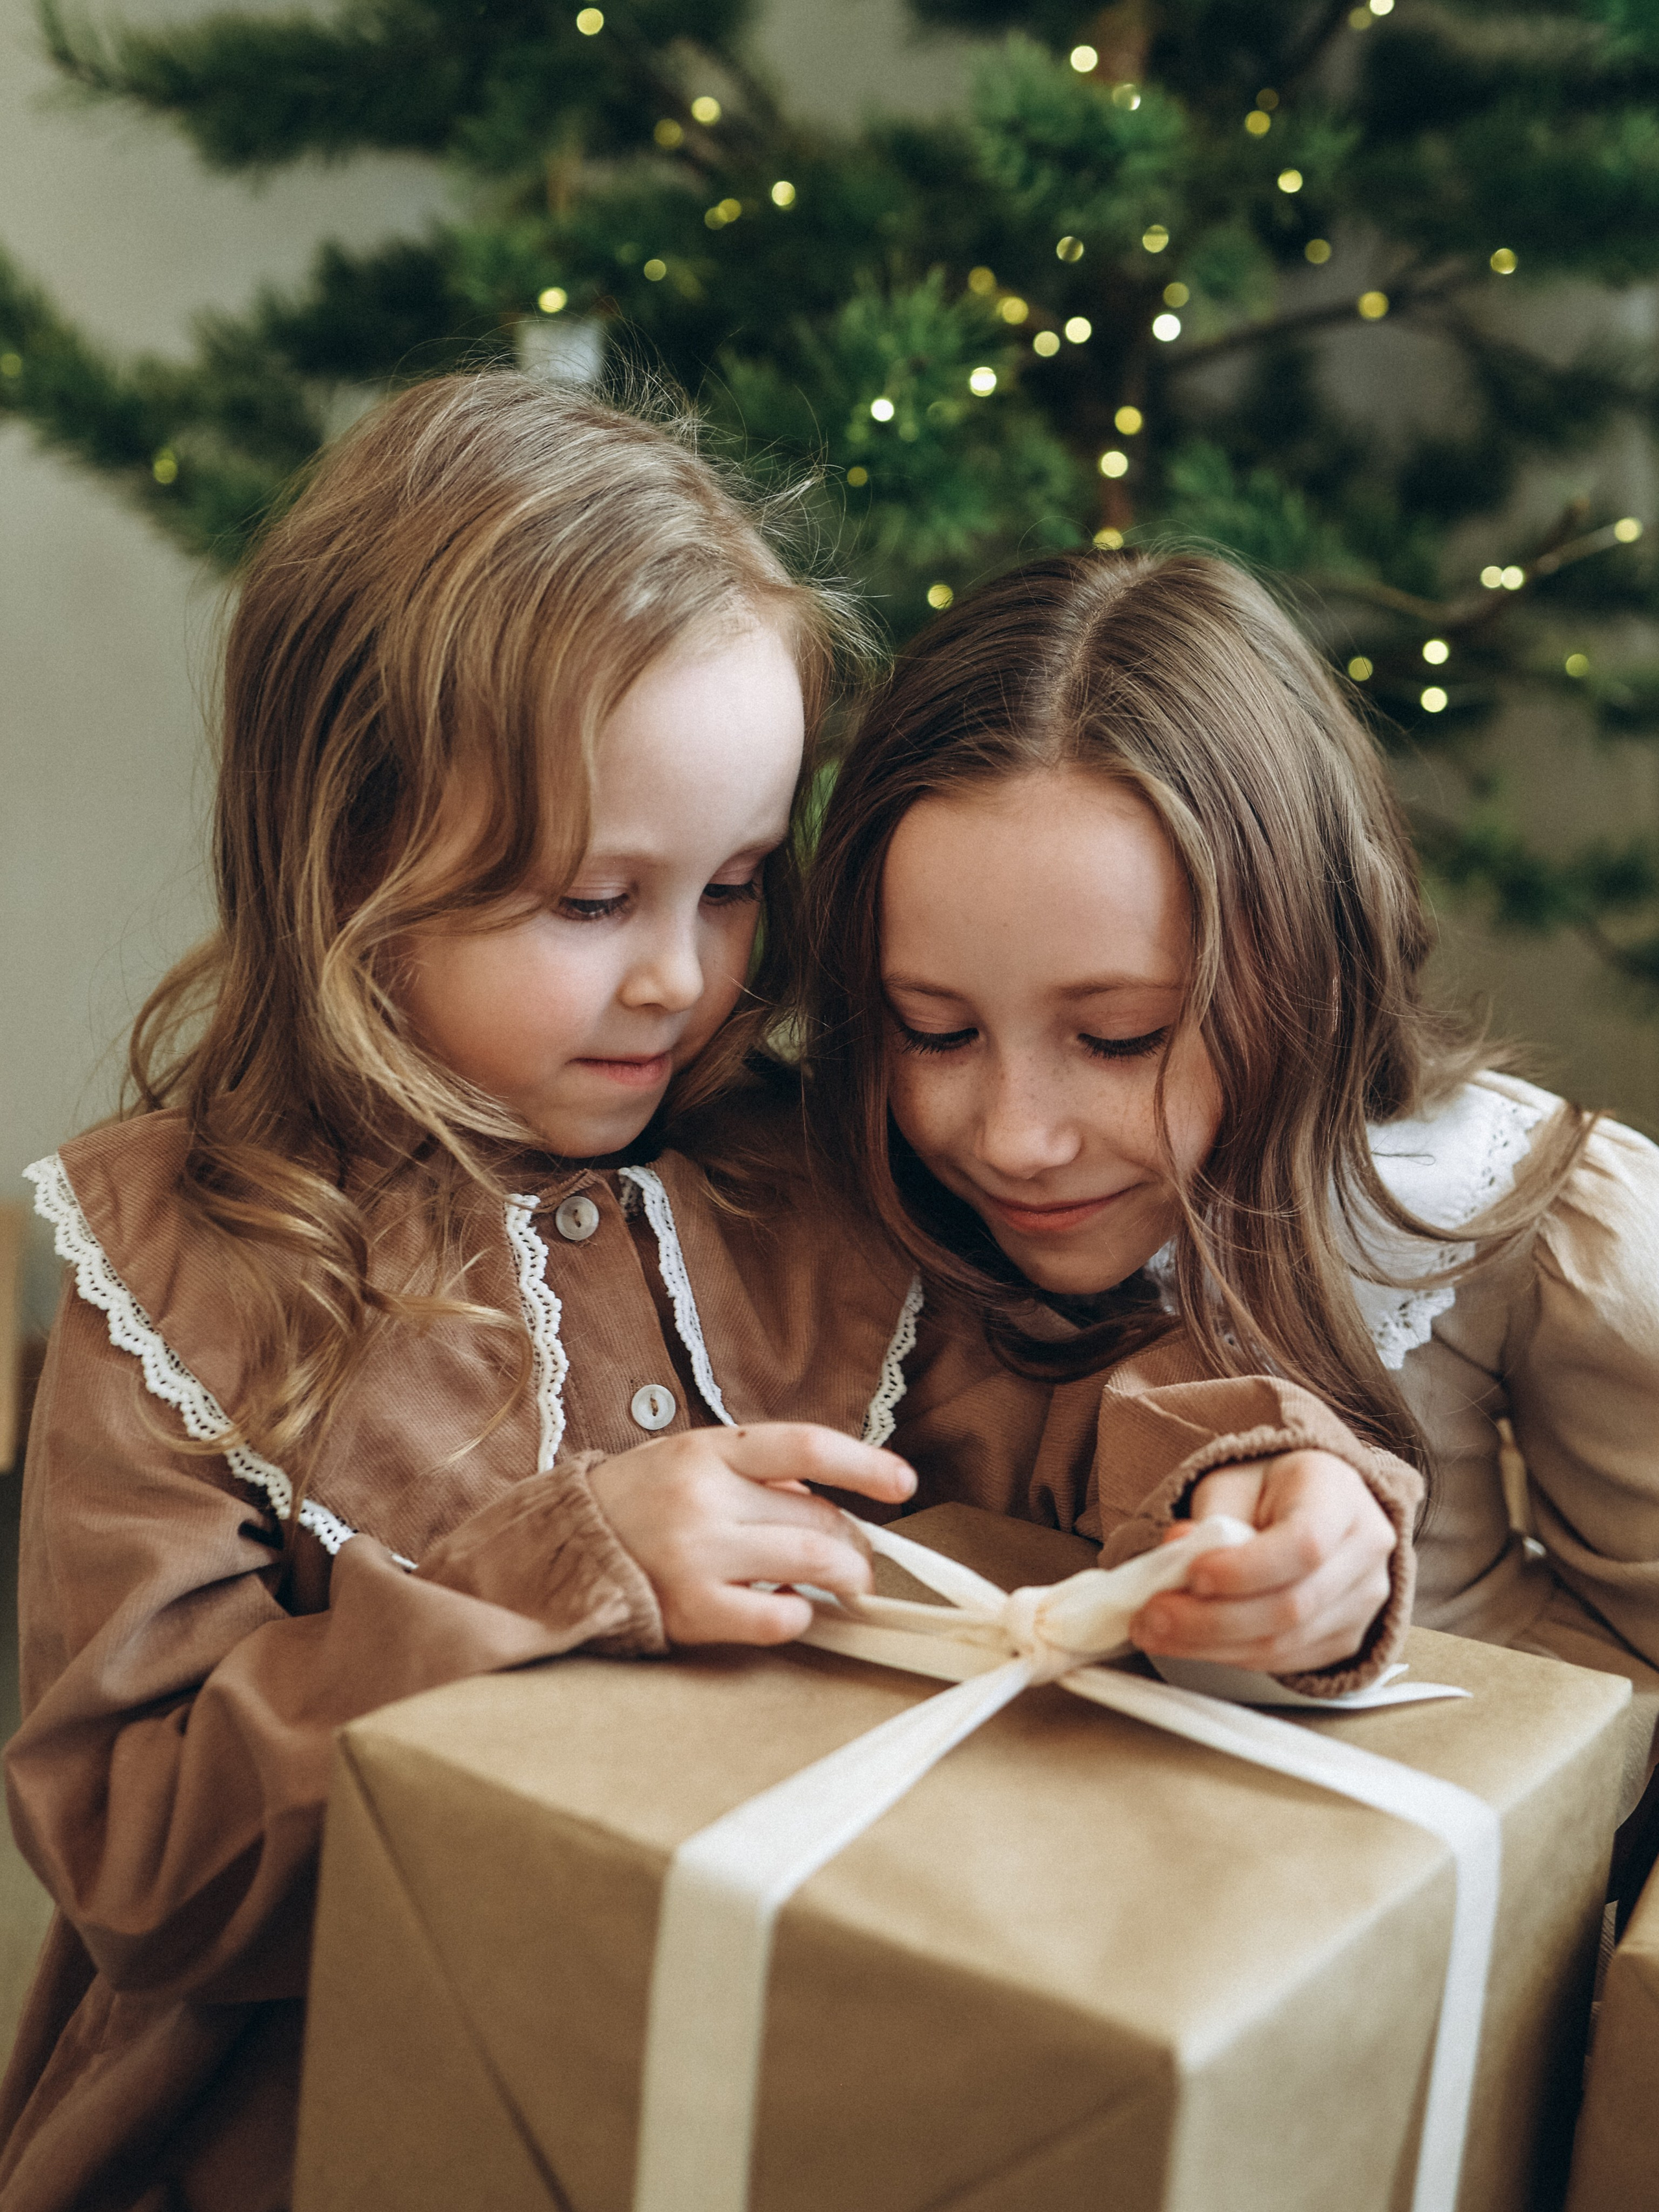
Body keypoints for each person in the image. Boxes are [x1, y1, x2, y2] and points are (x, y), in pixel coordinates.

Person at [1, 384, 1415, 2212]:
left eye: (740, 884)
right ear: (344, 859)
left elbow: (1090, 1408)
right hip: (307, 2124)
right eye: (593, 899)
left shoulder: (809, 1182)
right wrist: (549, 1569)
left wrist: (1274, 1508)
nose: (682, 976)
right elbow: (145, 1858)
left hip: (767, 2073)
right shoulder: (177, 1257)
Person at [801, 544, 1659, 1850]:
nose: (1017, 1140)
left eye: (1120, 1038)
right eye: (933, 1031)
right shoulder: (843, 1203)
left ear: (1305, 969)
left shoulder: (1519, 1219)